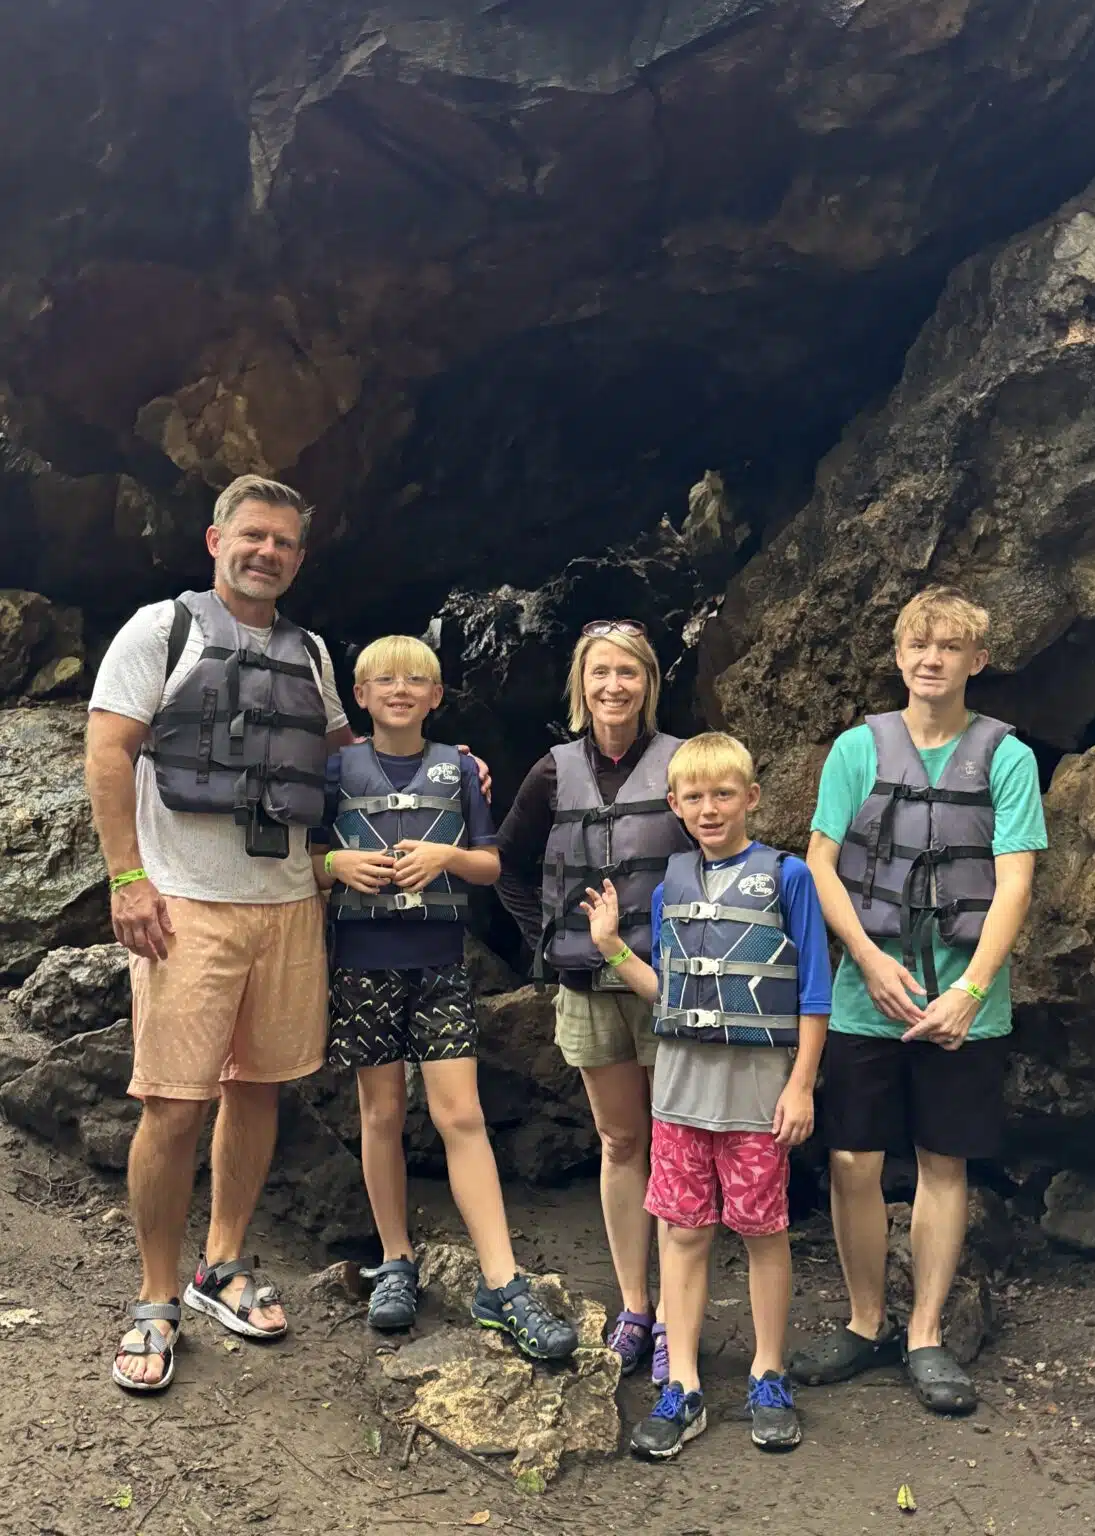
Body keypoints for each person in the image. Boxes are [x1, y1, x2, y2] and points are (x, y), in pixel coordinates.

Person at [86, 475, 354, 1391]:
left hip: (285, 903)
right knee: (172, 1103)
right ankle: (156, 1296)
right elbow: (108, 750)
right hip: (184, 904)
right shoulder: (160, 632)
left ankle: (221, 1265)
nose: (265, 552)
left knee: (258, 1088)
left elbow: (341, 756)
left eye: (282, 541)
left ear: (298, 556)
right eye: (251, 536)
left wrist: (441, 761)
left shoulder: (310, 650)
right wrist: (127, 878)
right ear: (215, 539)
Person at [793, 587, 1046, 1415]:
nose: (930, 659)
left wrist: (973, 988)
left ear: (977, 660)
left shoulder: (1005, 757)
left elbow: (1015, 882)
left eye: (948, 647)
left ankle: (927, 1333)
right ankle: (866, 1322)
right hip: (873, 990)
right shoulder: (856, 750)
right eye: (917, 645)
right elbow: (821, 863)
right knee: (853, 1159)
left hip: (966, 998)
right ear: (899, 656)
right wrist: (864, 960)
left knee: (944, 1159)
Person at [309, 635, 578, 1359]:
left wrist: (444, 857)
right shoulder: (336, 771)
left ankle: (502, 1279)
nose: (401, 689)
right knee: (382, 1111)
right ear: (359, 696)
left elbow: (490, 865)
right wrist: (335, 862)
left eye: (417, 680)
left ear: (437, 696)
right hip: (362, 962)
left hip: (438, 964)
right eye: (384, 679)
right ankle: (395, 1258)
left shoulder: (458, 770)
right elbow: (301, 857)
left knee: (461, 1113)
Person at [581, 732, 832, 1458]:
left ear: (751, 798)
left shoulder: (787, 879)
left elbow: (813, 991)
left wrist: (802, 1084)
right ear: (675, 806)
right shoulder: (670, 888)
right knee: (684, 1235)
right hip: (682, 1101)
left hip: (759, 1099)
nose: (709, 808)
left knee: (763, 1233)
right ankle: (682, 1383)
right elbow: (670, 995)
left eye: (724, 794)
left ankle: (768, 1372)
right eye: (694, 797)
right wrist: (612, 948)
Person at [496, 622, 692, 1379]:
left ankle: (676, 1312)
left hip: (667, 987)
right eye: (601, 674)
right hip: (585, 984)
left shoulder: (682, 764)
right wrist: (543, 942)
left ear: (648, 684)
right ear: (581, 686)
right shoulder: (551, 773)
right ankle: (636, 1305)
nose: (615, 687)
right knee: (620, 1142)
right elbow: (510, 866)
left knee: (675, 1144)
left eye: (629, 675)